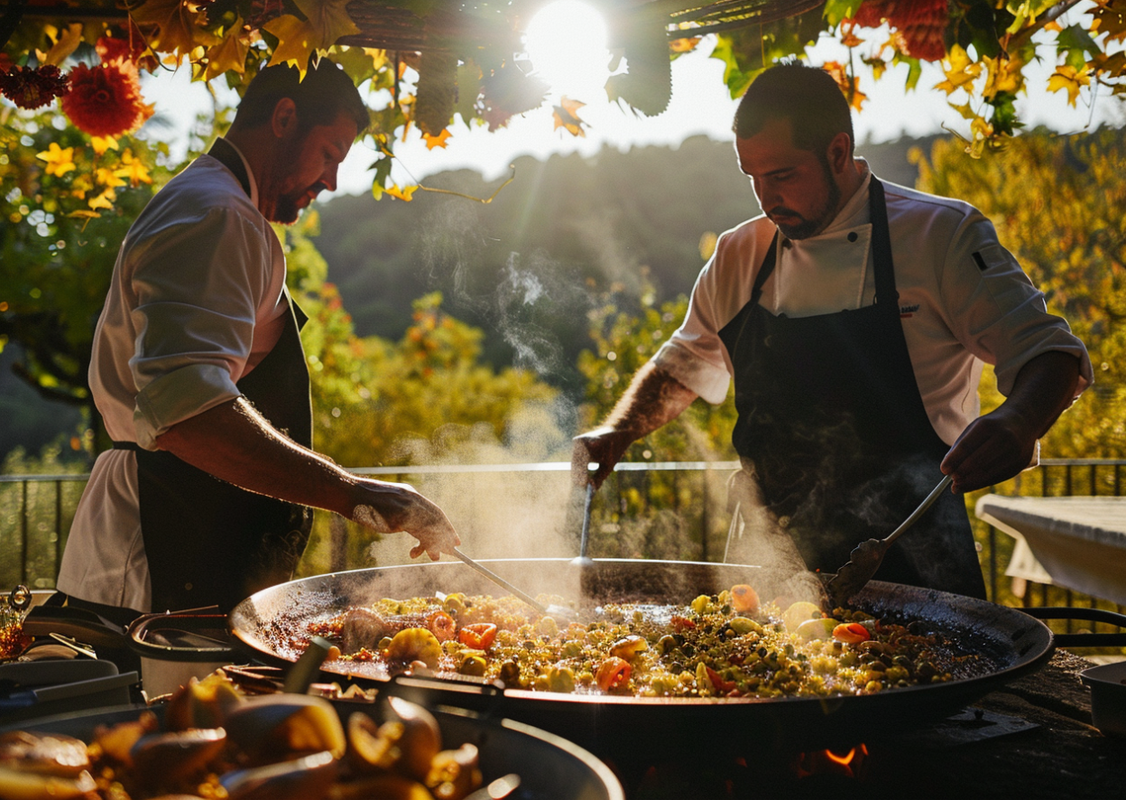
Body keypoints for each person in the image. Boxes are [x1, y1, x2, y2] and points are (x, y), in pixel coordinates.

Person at [572, 63, 1091, 600]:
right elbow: (684, 365)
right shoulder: (739, 255)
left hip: (912, 556)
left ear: (838, 152)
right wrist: (617, 432)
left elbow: (1049, 354)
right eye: (751, 176)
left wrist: (1018, 419)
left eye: (782, 175)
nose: (766, 197)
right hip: (765, 563)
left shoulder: (941, 235)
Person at [57, 60, 459, 622]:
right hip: (162, 543)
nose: (332, 181)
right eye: (329, 154)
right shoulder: (219, 215)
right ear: (285, 118)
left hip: (184, 526)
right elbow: (188, 413)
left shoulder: (218, 206)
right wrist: (353, 492)